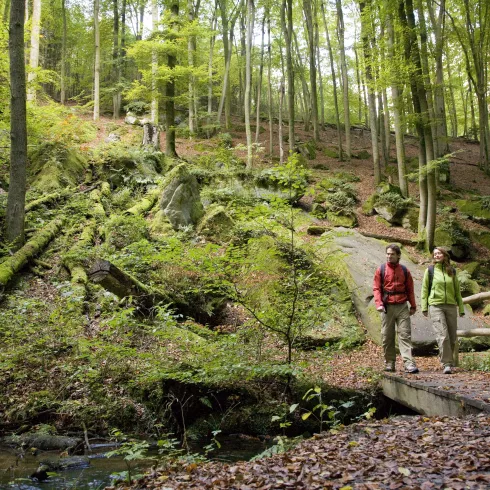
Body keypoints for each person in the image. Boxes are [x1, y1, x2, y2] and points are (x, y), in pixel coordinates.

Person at [373, 244, 419, 373]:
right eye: (387, 254)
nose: (389, 256)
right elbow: (376, 288)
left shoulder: (404, 270)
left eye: (392, 254)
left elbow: (410, 289)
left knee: (405, 335)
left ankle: (409, 364)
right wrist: (379, 304)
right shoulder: (381, 270)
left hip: (402, 306)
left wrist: (413, 305)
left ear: (398, 255)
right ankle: (390, 363)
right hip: (387, 307)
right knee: (387, 336)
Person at [421, 247, 465, 374]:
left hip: (451, 306)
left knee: (452, 337)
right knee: (442, 335)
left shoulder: (452, 271)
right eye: (435, 254)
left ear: (445, 255)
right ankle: (447, 363)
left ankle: (447, 360)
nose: (436, 255)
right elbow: (424, 290)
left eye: (439, 253)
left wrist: (461, 308)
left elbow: (457, 291)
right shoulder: (430, 271)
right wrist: (424, 307)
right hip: (436, 306)